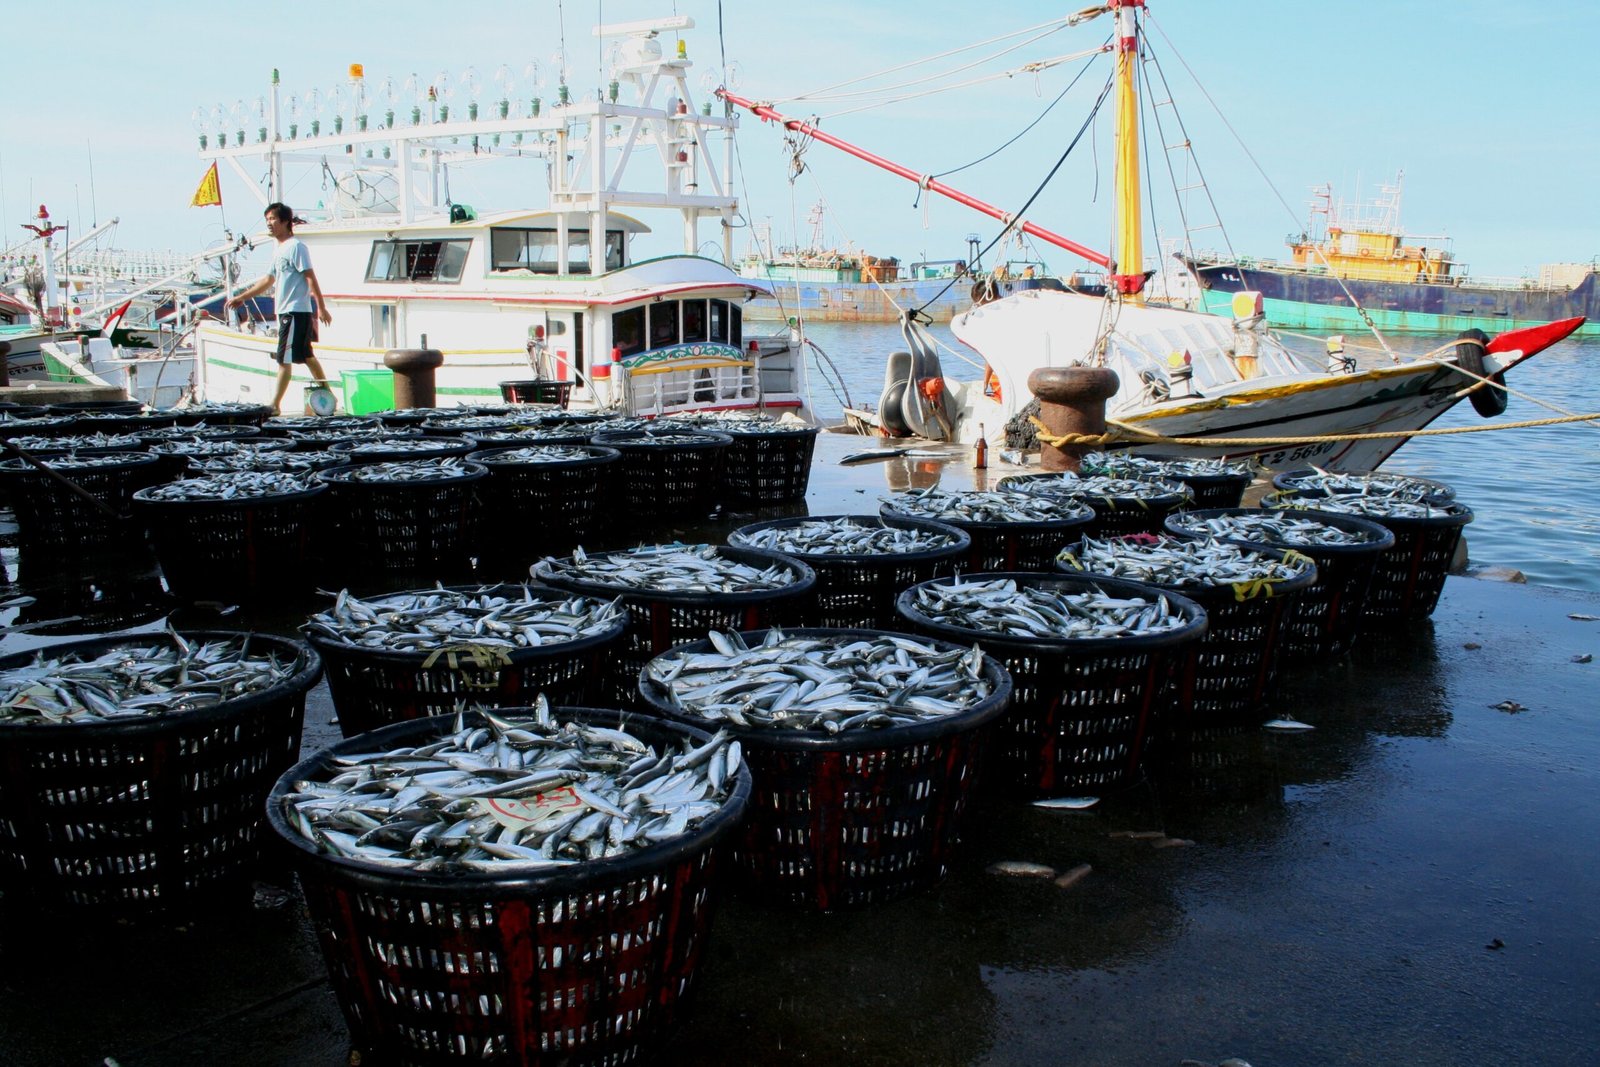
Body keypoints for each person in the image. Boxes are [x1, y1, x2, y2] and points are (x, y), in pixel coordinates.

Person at [225, 203, 333, 414]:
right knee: (307, 355)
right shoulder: (279, 250)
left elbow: (310, 277)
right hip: (286, 311)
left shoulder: (296, 247)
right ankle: (329, 395)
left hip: (295, 311)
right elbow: (268, 280)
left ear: (285, 222)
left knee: (284, 357)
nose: (269, 223)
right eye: (267, 219)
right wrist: (242, 297)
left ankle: (275, 404)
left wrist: (321, 307)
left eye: (273, 219)